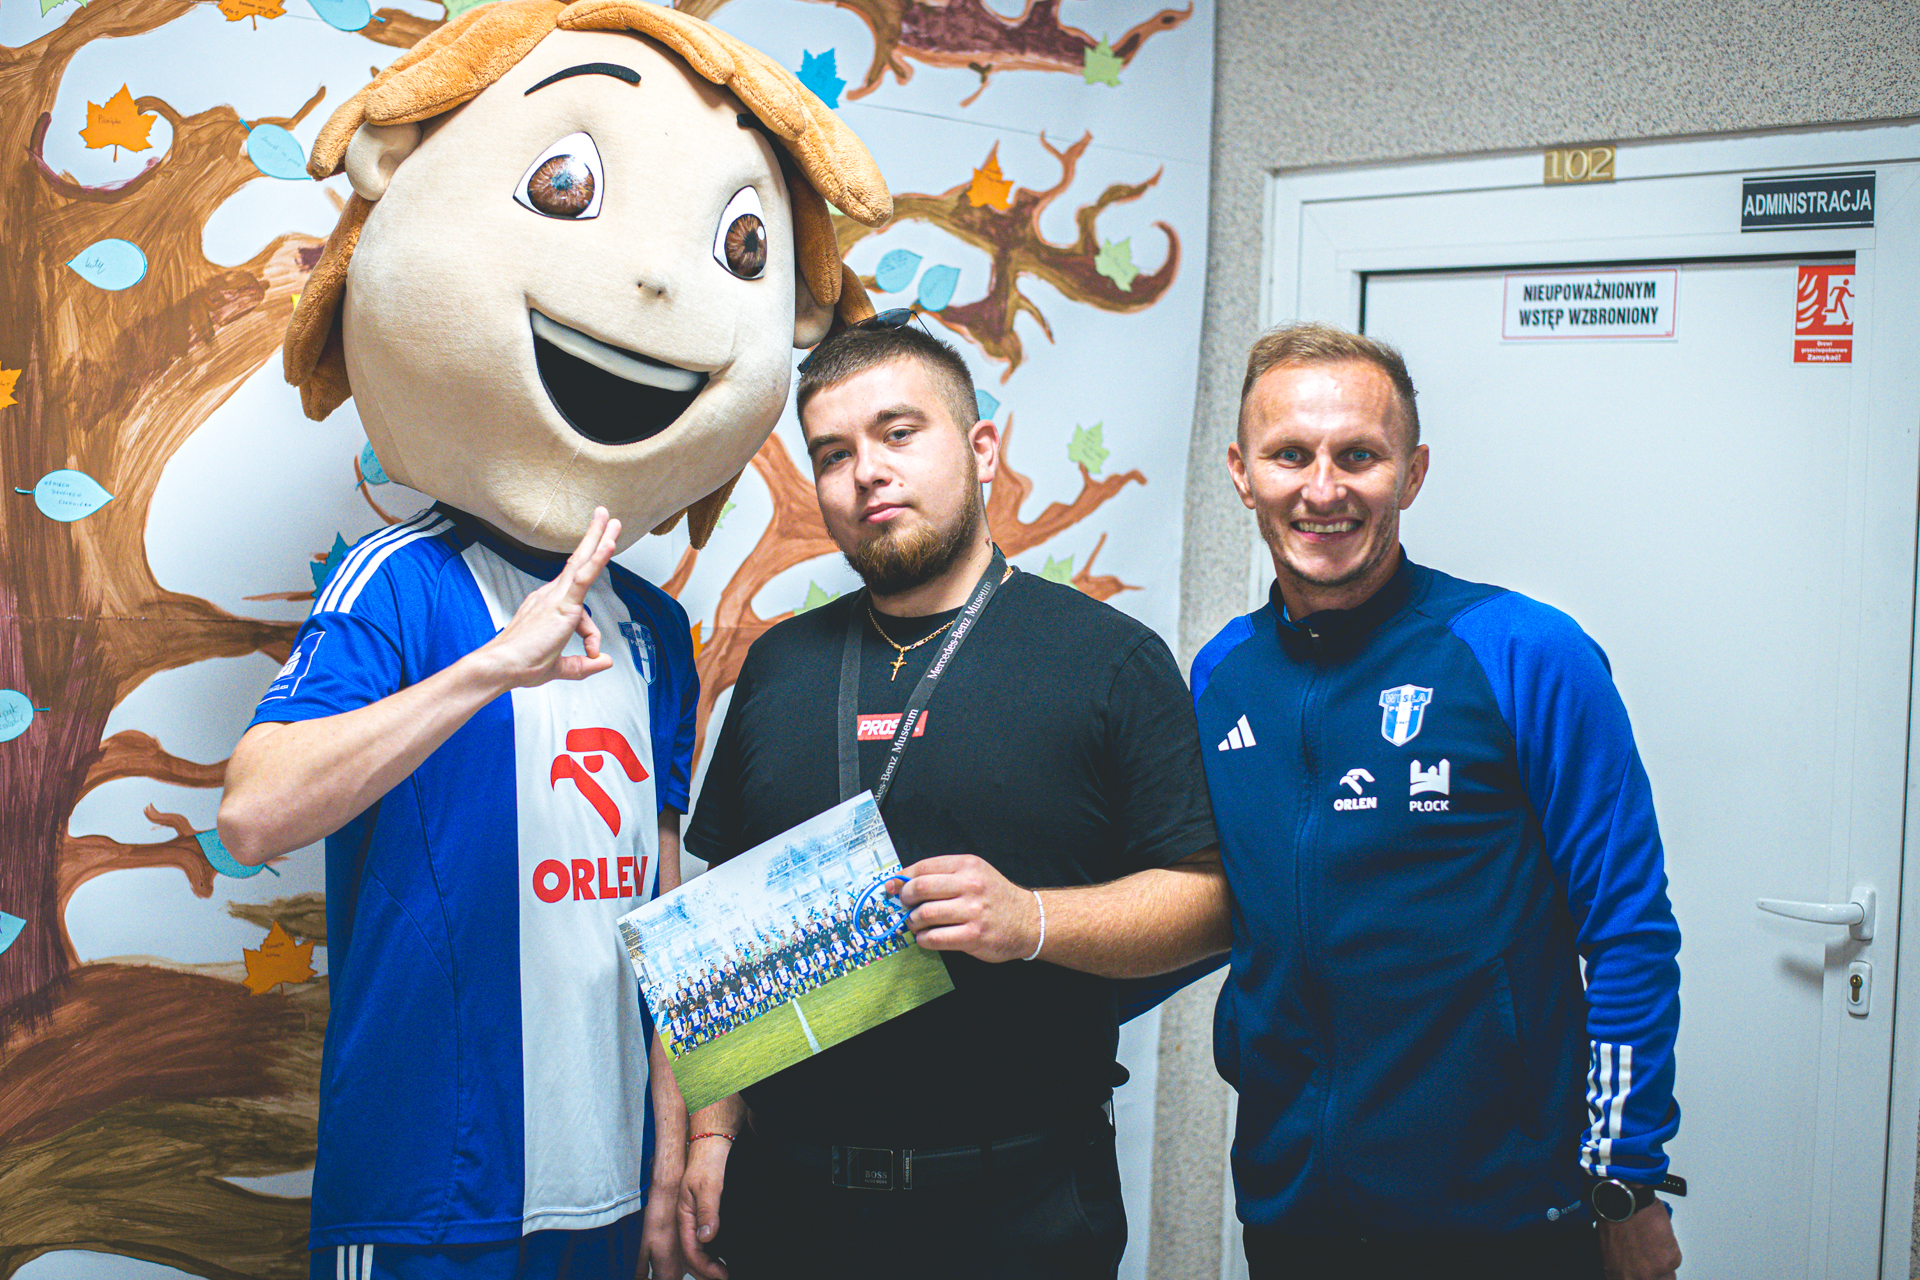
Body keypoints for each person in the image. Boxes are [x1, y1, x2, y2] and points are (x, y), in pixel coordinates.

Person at [216, 5, 892, 1278]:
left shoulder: (658, 631)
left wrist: (676, 1149)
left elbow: (663, 905)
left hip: (608, 1188)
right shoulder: (400, 581)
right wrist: (492, 668)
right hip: (430, 1194)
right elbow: (254, 815)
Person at [675, 317, 1231, 1280]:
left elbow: (1212, 904)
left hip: (1018, 1210)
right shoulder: (777, 667)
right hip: (789, 1206)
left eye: (899, 433)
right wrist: (712, 1133)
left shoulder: (1108, 660)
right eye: (835, 453)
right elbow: (726, 924)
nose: (868, 472)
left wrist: (1031, 920)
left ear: (980, 450)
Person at [1193, 322, 1684, 1280]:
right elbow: (1226, 903)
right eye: (1289, 455)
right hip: (1294, 1214)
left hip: (1504, 1217)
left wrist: (1626, 1177)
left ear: (1412, 474)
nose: (1323, 489)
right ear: (1243, 474)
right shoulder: (1222, 674)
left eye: (1359, 456)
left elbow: (1628, 929)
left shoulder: (1522, 651)